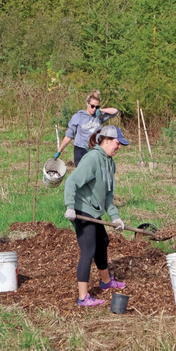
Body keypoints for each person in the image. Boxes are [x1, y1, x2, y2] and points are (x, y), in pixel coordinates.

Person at [64, 125, 129, 306]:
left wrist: (115, 217)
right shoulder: (92, 159)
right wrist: (70, 206)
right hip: (81, 210)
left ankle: (106, 282)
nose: (119, 147)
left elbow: (108, 194)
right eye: (117, 143)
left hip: (94, 210)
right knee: (89, 249)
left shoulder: (110, 162)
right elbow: (71, 182)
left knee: (103, 242)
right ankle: (83, 297)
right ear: (106, 140)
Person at [54, 90, 118, 167]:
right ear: (87, 103)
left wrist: (101, 110)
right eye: (92, 106)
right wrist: (59, 151)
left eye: (97, 107)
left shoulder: (99, 117)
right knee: (82, 174)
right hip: (80, 150)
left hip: (94, 149)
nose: (94, 109)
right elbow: (69, 136)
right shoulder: (78, 117)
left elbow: (115, 112)